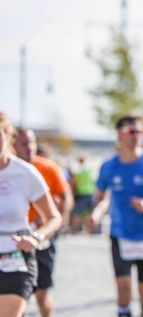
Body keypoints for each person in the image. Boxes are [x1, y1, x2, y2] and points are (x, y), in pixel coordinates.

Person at [88, 115, 143, 317]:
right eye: (131, 132)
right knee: (124, 288)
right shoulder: (108, 166)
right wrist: (96, 214)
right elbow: (102, 198)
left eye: (139, 131)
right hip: (120, 234)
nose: (136, 136)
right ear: (119, 134)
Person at [0, 112, 61, 317]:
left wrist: (36, 237)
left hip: (16, 259)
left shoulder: (25, 173)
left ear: (7, 137)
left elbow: (54, 217)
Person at [13, 128, 74, 317]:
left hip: (42, 237)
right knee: (14, 294)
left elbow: (67, 197)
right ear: (12, 146)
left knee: (42, 292)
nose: (30, 147)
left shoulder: (48, 168)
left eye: (32, 142)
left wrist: (55, 223)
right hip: (13, 239)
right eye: (24, 144)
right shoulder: (8, 170)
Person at [70, 153, 96, 233]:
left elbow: (74, 183)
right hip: (90, 193)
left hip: (81, 194)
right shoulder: (89, 170)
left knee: (78, 213)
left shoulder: (77, 171)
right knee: (89, 213)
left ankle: (75, 229)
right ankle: (90, 230)